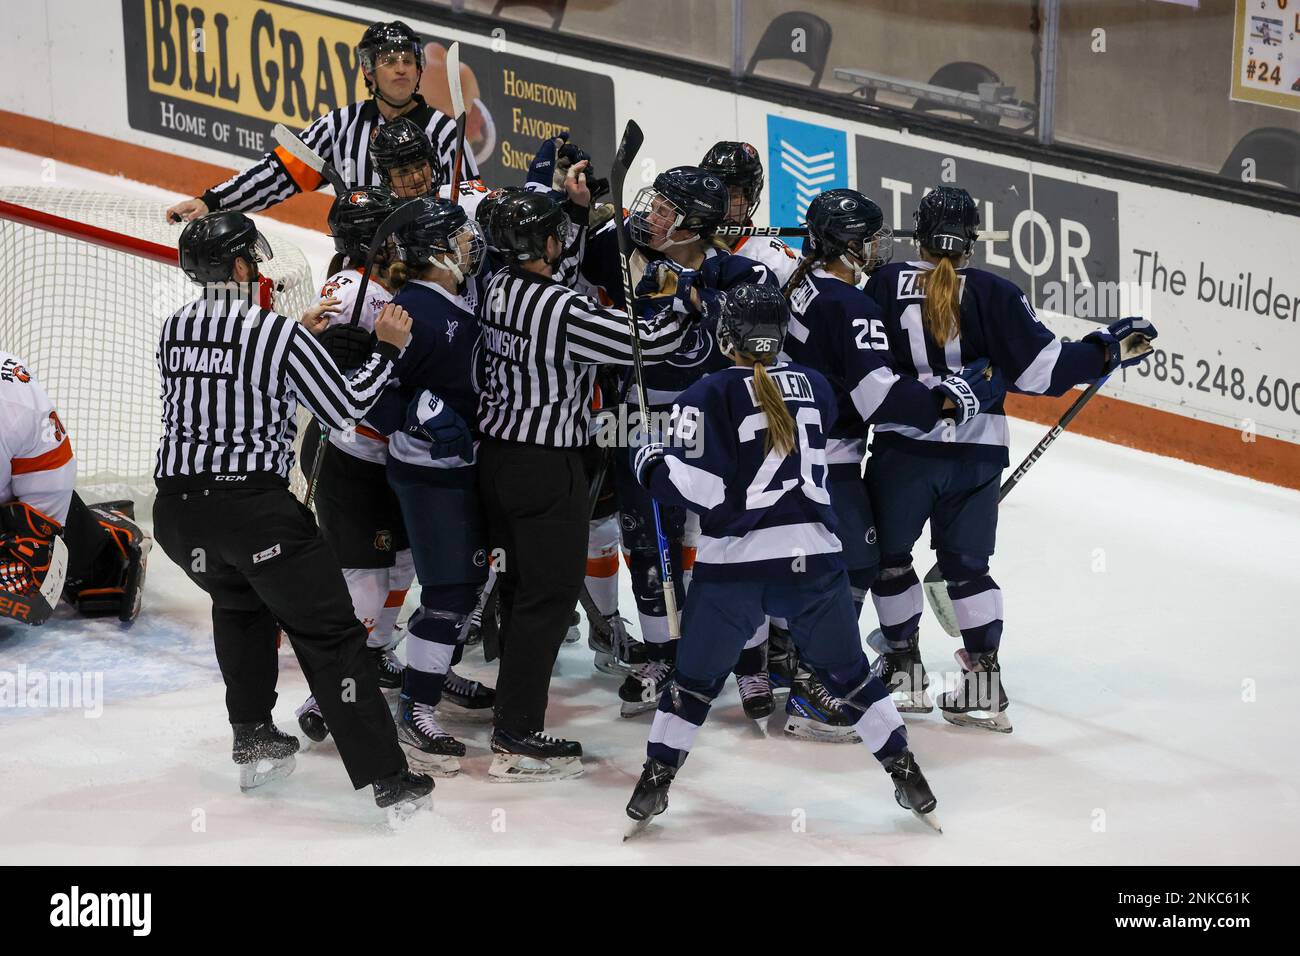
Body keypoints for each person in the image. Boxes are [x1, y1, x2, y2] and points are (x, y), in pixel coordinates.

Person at [623, 284, 939, 833]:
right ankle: (905, 770)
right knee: (852, 679)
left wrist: (649, 461)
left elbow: (702, 491)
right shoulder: (815, 385)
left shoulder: (706, 392)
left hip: (736, 567)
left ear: (727, 336)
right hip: (814, 559)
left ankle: (656, 780)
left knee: (693, 685)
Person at [150, 210, 431, 812]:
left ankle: (254, 739)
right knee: (330, 637)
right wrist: (388, 348)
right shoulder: (275, 334)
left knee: (239, 604)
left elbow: (226, 373)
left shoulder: (175, 326)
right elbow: (344, 409)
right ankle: (390, 778)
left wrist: (294, 340)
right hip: (251, 511)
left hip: (178, 514)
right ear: (241, 266)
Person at [864, 186, 1157, 733]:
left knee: (892, 561)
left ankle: (903, 671)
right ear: (971, 241)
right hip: (976, 455)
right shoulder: (997, 293)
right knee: (968, 568)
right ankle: (983, 682)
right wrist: (1107, 347)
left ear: (920, 234)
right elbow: (1043, 374)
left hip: (903, 450)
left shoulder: (883, 283)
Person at [475, 189, 697, 781]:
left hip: (497, 461)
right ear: (541, 243)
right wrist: (683, 304)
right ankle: (517, 733)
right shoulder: (560, 311)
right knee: (547, 597)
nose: (563, 239)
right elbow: (648, 344)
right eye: (556, 231)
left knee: (523, 592)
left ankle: (510, 718)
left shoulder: (497, 287)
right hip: (546, 469)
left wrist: (573, 210)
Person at [781, 188, 1004, 732]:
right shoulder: (851, 303)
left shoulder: (808, 284)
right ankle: (812, 684)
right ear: (851, 245)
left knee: (867, 560)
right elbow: (877, 396)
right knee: (858, 561)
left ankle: (861, 668)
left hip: (797, 448)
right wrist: (948, 399)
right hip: (823, 458)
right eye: (872, 238)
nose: (880, 246)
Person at [611, 166, 777, 720]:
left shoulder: (740, 271)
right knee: (645, 546)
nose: (650, 217)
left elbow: (755, 315)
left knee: (730, 541)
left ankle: (750, 663)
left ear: (694, 226)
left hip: (718, 430)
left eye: (664, 212)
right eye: (653, 206)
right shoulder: (622, 260)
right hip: (642, 424)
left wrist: (684, 287)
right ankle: (662, 654)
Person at [366, 197, 494, 776]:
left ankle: (427, 680)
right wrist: (419, 411)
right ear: (437, 252)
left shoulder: (453, 298)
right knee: (449, 592)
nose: (472, 246)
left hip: (457, 472)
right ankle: (417, 707)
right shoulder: (412, 310)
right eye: (462, 238)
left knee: (467, 583)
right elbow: (375, 399)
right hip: (429, 476)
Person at [293, 185, 417, 742]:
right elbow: (340, 386)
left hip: (382, 457)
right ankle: (324, 693)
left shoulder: (366, 275)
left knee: (403, 565)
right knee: (365, 583)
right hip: (349, 456)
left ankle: (377, 653)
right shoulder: (350, 289)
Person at [164, 21, 475, 222]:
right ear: (368, 71)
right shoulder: (340, 127)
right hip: (360, 269)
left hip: (427, 271)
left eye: (408, 61)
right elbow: (277, 173)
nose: (401, 69)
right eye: (389, 61)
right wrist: (212, 201)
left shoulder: (445, 133)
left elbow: (471, 205)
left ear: (419, 69)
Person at [0, 352, 150, 627]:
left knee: (90, 571)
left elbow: (48, 475)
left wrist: (37, 542)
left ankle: (102, 556)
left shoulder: (13, 399)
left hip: (20, 502)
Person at [699, 140, 799, 287]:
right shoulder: (683, 240)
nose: (722, 206)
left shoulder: (776, 260)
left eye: (733, 196)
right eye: (714, 194)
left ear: (751, 196)